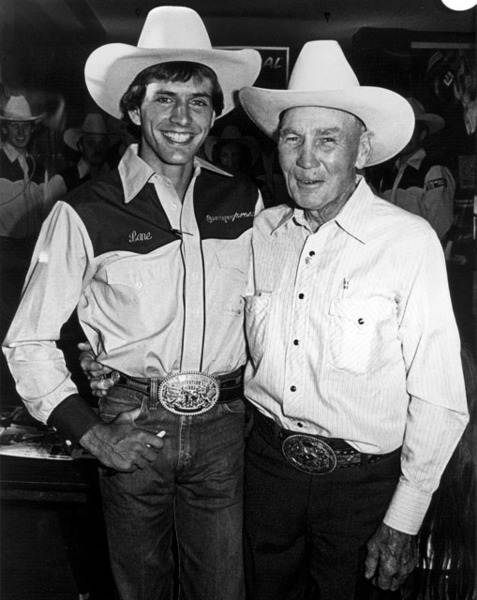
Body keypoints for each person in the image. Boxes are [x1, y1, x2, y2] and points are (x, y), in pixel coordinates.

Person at [3, 6, 261, 600]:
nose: (181, 117)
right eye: (164, 98)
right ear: (133, 108)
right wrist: (91, 433)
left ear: (215, 112)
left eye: (198, 101)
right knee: (139, 589)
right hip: (131, 421)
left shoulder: (243, 197)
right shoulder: (84, 210)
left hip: (225, 425)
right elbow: (28, 339)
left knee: (222, 589)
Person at [236, 41, 469, 600]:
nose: (306, 158)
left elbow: (440, 397)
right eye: (293, 138)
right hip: (265, 475)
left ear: (362, 150)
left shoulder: (408, 242)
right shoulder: (259, 234)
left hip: (363, 491)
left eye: (327, 139)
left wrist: (404, 519)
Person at [369, 98, 455, 242]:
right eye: (399, 130)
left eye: (409, 130)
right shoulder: (388, 174)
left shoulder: (433, 171)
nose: (403, 136)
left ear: (421, 135)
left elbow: (440, 224)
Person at [53, 112, 112, 196]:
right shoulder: (61, 181)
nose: (98, 149)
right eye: (91, 144)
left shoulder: (112, 177)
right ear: (81, 146)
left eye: (102, 143)